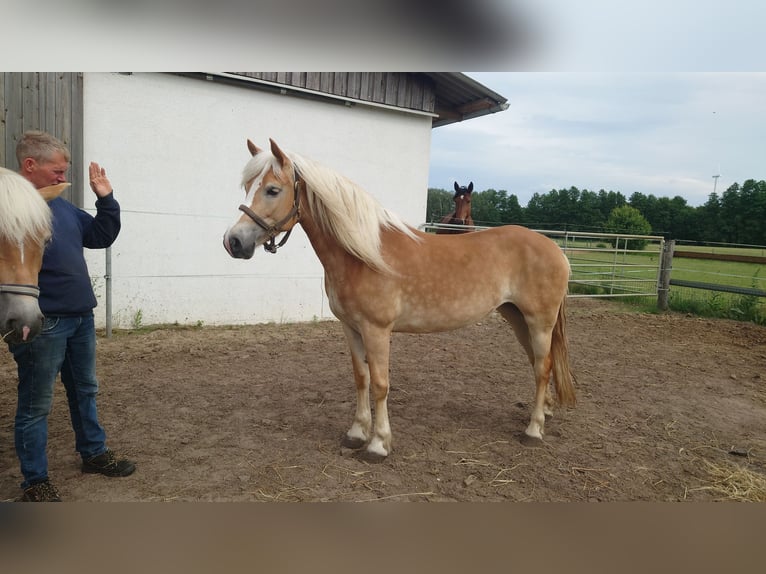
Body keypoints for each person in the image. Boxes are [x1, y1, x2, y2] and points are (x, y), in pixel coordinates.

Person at [9, 130, 135, 502]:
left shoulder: (63, 208)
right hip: (43, 321)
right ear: (30, 165)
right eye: (57, 171)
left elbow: (99, 235)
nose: (64, 179)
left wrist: (106, 199)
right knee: (35, 404)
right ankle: (35, 479)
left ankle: (93, 453)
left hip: (80, 317)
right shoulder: (12, 209)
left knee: (85, 390)